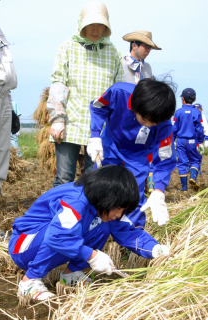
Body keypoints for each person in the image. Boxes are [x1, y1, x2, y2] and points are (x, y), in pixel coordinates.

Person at [8, 165, 169, 301]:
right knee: (60, 234)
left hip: (44, 241)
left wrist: (156, 249)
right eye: (119, 209)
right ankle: (29, 281)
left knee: (103, 227)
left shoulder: (102, 205)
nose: (120, 215)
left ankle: (71, 274)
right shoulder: (76, 200)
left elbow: (129, 233)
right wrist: (92, 255)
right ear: (109, 198)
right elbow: (56, 236)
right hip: (24, 245)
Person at [47, 0, 124, 188]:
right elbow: (59, 83)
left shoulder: (113, 53)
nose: (95, 30)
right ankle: (61, 216)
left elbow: (118, 92)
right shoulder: (68, 48)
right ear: (82, 24)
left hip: (99, 128)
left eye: (100, 25)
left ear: (107, 27)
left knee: (94, 181)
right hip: (70, 121)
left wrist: (117, 126)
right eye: (91, 24)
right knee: (64, 179)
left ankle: (87, 216)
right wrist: (57, 118)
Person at [87, 78, 177, 228]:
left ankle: (133, 237)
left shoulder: (163, 122)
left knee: (134, 196)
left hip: (138, 156)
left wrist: (159, 190)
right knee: (101, 187)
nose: (150, 125)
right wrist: (95, 135)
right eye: (146, 120)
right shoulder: (118, 93)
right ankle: (94, 229)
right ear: (136, 106)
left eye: (154, 123)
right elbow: (98, 107)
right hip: (111, 145)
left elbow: (165, 158)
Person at [122, 30, 161, 192]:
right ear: (134, 45)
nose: (148, 50)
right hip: (124, 118)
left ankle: (139, 190)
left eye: (150, 47)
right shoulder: (120, 64)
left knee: (141, 155)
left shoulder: (147, 69)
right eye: (146, 46)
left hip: (142, 120)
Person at [173, 88, 204, 192]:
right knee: (195, 160)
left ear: (182, 99)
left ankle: (184, 187)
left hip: (180, 141)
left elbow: (175, 128)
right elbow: (199, 128)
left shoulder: (178, 112)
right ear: (194, 99)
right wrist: (200, 140)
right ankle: (193, 177)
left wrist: (172, 139)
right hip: (192, 141)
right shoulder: (197, 112)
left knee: (182, 162)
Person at [0, 27, 17, 195]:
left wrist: (11, 110)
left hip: (3, 96)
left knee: (2, 148)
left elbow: (8, 74)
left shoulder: (1, 34)